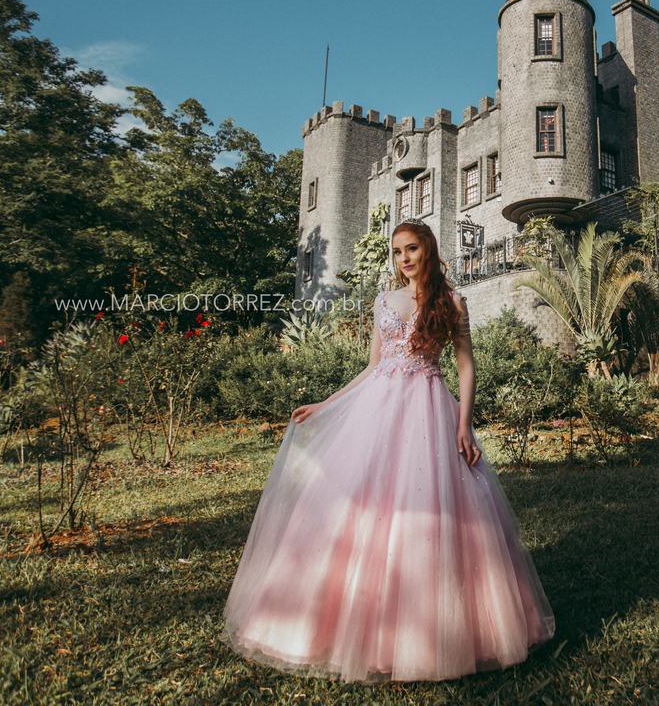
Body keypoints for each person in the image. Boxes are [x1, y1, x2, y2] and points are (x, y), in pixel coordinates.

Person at [220, 219, 554, 683]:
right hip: (377, 409)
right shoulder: (383, 300)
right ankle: (333, 622)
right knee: (360, 503)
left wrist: (464, 424)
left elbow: (466, 366)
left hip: (427, 408)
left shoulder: (452, 301)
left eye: (411, 249)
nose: (404, 259)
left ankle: (431, 635)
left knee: (429, 505)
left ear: (428, 249)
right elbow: (372, 368)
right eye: (397, 252)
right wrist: (325, 404)